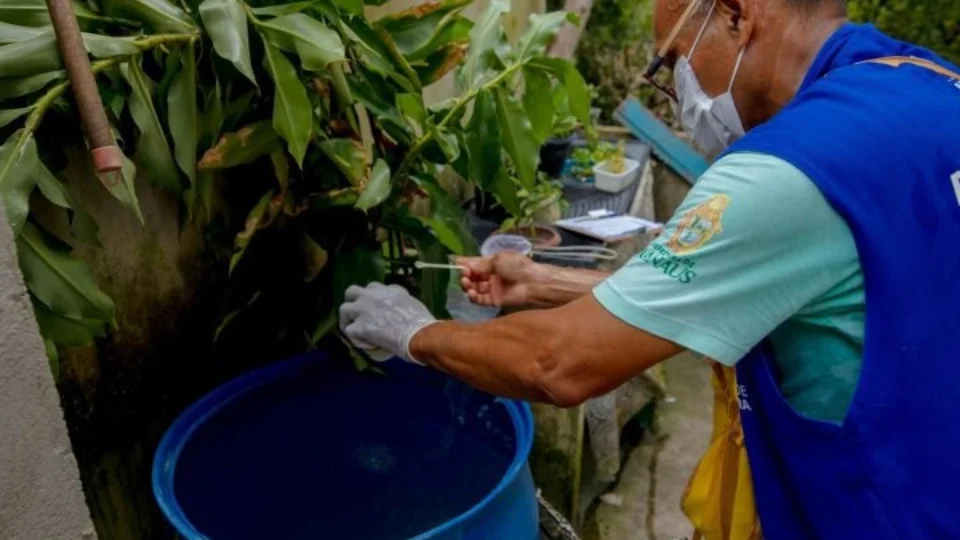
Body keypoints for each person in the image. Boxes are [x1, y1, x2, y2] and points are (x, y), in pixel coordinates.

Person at [340, 0, 960, 536]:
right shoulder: (928, 84)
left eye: (672, 63)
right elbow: (773, 283)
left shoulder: (787, 170)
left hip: (875, 510)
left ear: (737, 16)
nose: (678, 90)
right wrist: (544, 281)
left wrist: (413, 334)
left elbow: (559, 362)